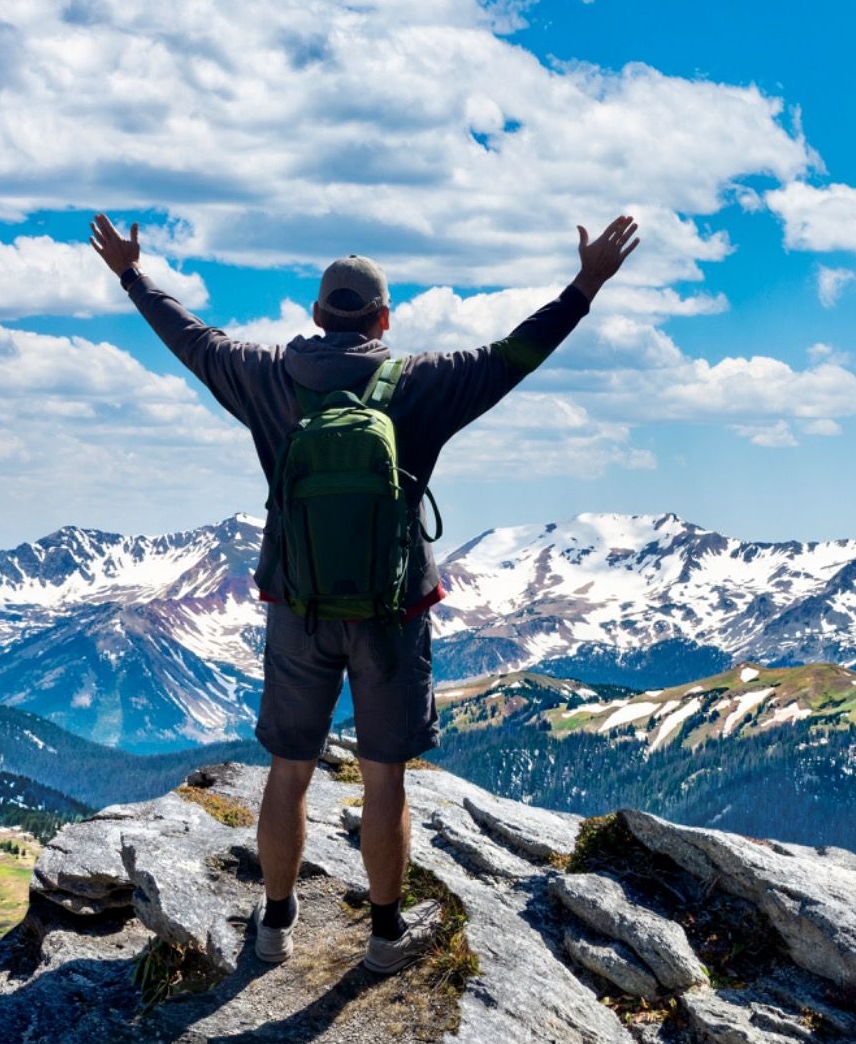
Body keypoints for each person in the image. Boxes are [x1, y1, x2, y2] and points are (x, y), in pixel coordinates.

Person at [89, 212, 638, 973]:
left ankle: (275, 926)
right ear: (384, 318)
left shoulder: (266, 375)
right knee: (385, 779)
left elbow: (191, 339)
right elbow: (516, 355)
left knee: (289, 772)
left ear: (317, 315)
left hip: (299, 610)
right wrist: (585, 286)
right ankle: (383, 938)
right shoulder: (423, 384)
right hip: (393, 613)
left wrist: (131, 274)